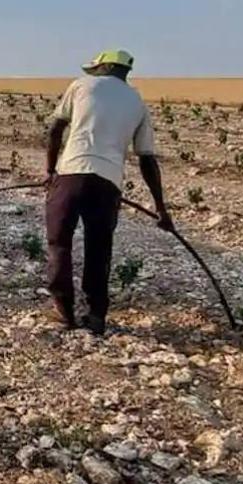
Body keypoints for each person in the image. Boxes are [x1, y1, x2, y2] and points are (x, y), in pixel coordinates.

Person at [45, 49, 172, 336]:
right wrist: (161, 208)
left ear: (103, 67)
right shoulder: (137, 101)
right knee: (99, 250)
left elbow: (55, 129)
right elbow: (147, 159)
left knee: (59, 244)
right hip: (108, 184)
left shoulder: (80, 85)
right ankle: (96, 316)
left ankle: (64, 311)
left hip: (71, 175)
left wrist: (50, 172)